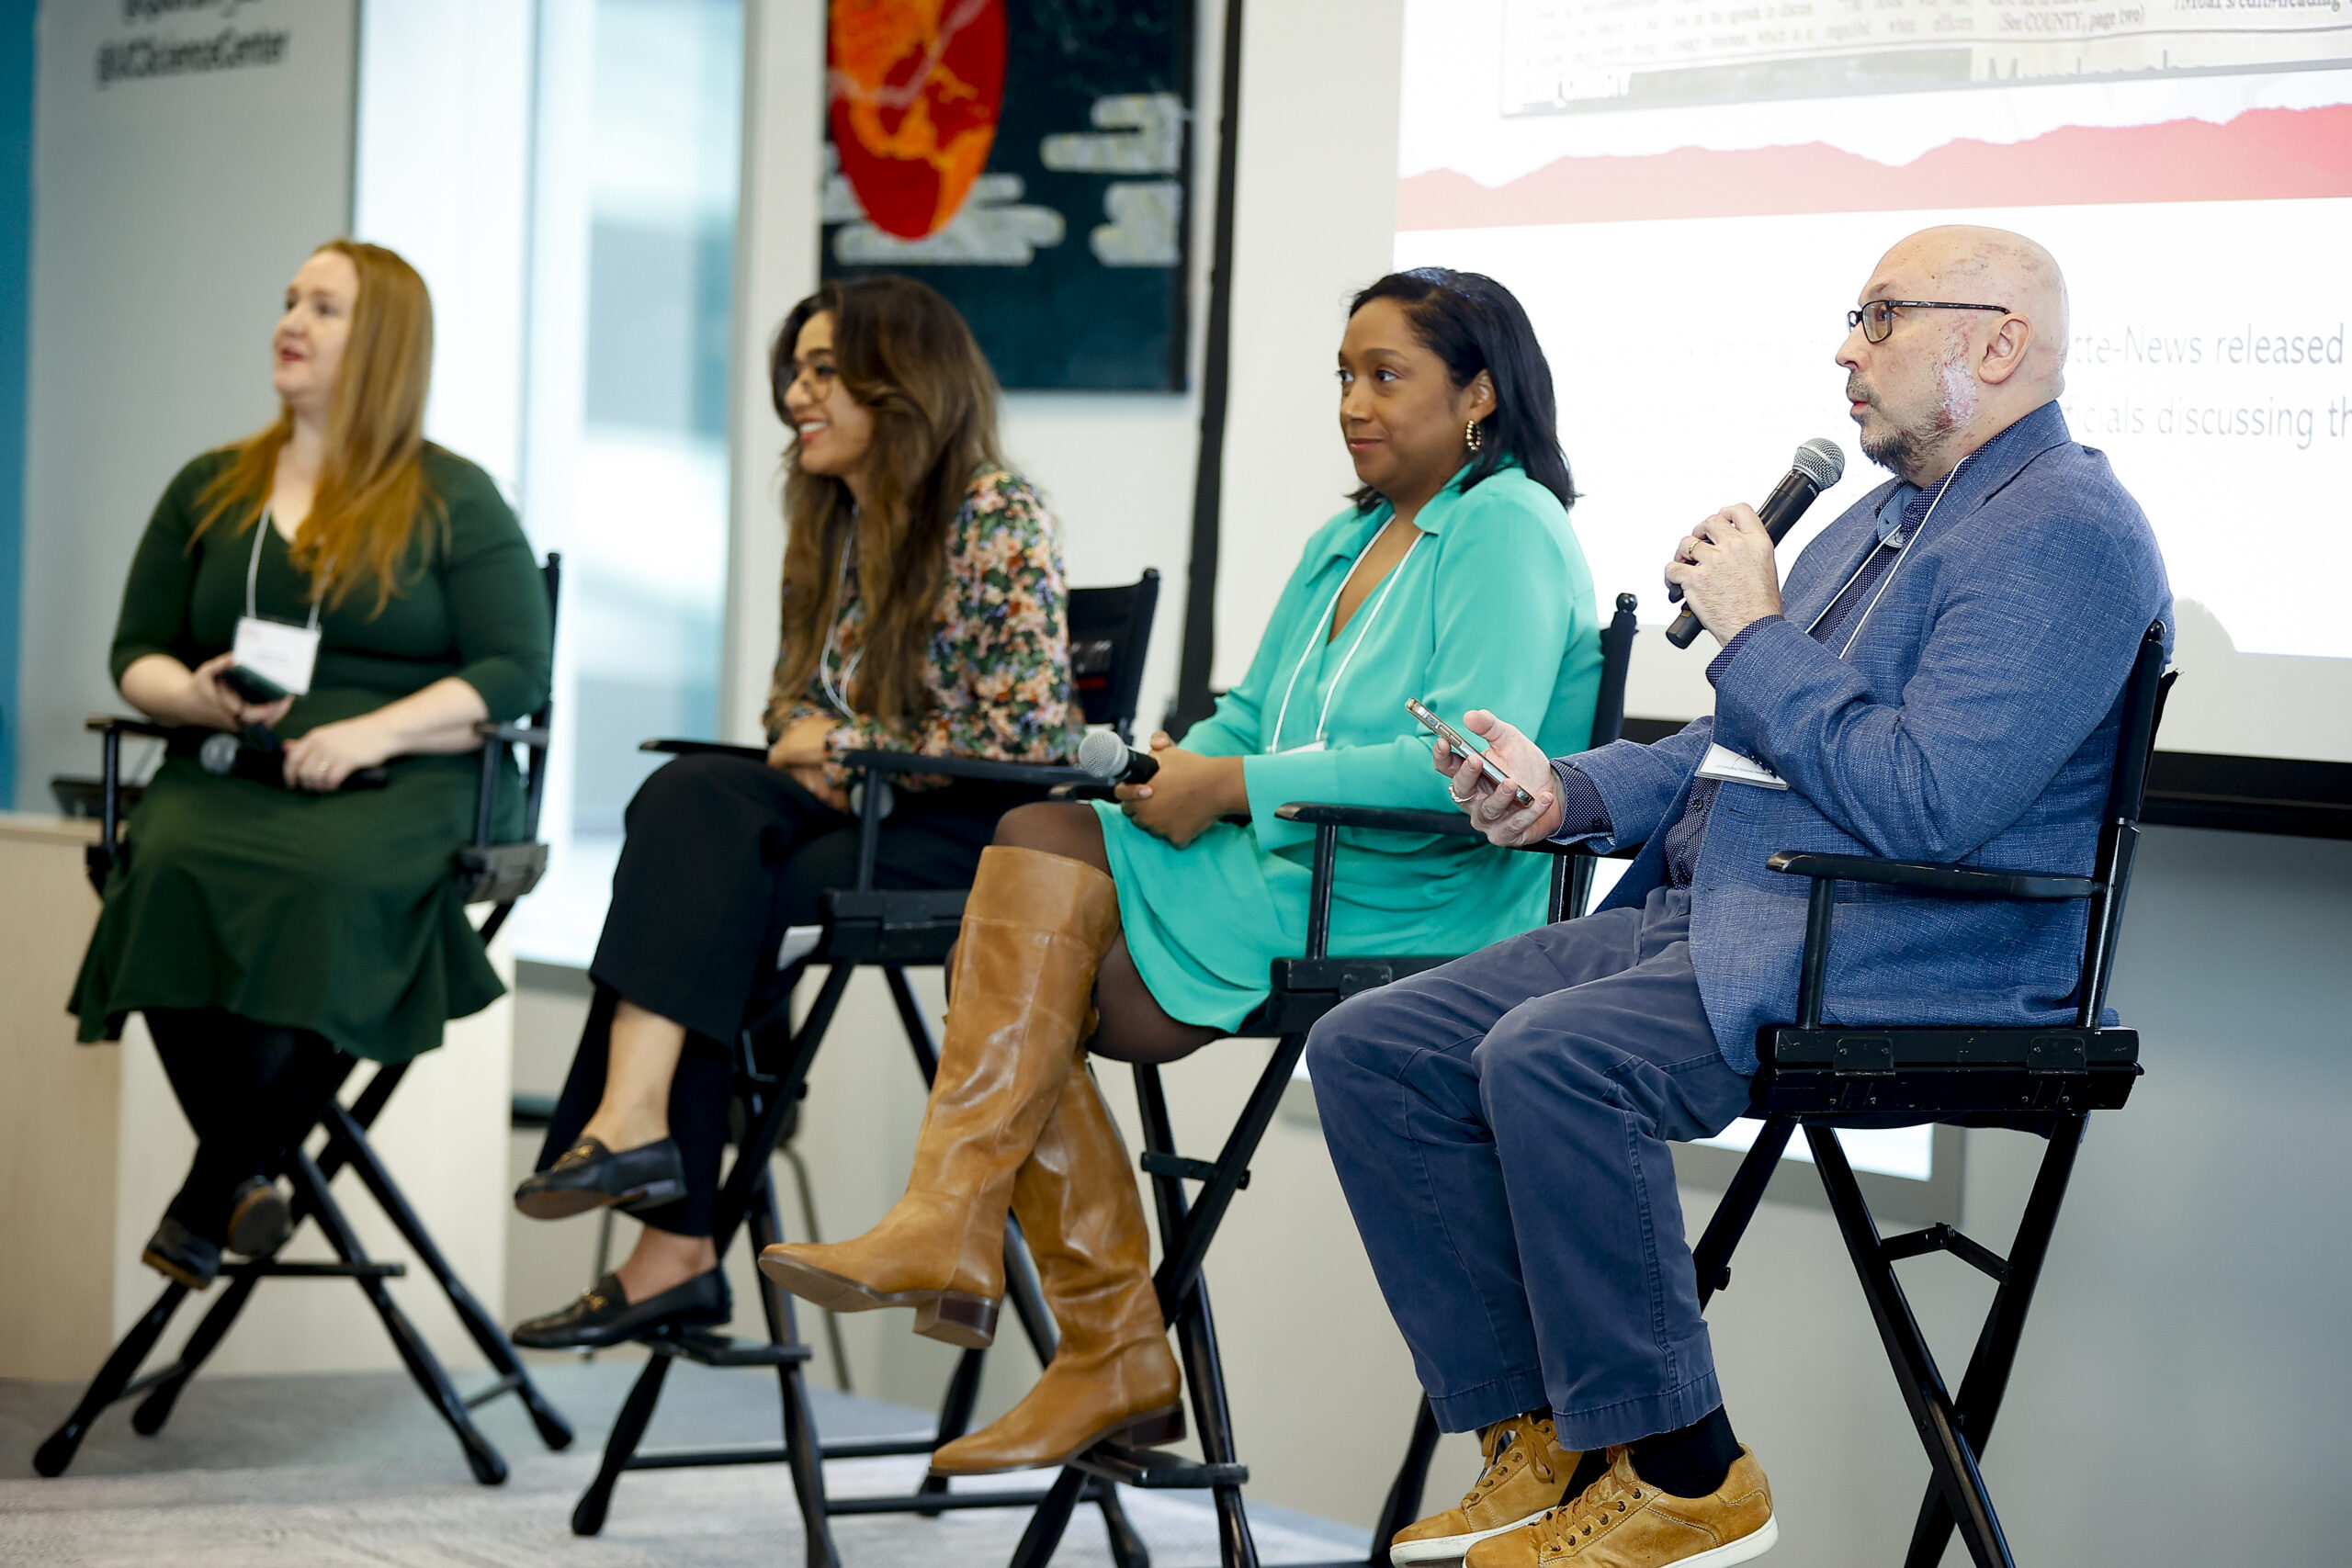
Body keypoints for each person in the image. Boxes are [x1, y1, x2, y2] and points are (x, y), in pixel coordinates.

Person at [1305, 226, 2174, 1568]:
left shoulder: (2069, 531)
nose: (1846, 347)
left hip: (1906, 946)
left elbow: (1930, 799)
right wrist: (1565, 792)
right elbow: (1730, 740)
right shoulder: (1880, 518)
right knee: (1372, 1047)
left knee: (1555, 1058)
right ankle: (1542, 1434)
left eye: (1880, 317)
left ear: (1996, 344)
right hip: (1725, 912)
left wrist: (1761, 629)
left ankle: (1687, 1468)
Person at [759, 267, 1605, 1478]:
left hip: (1409, 892)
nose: (1353, 405)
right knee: (1044, 851)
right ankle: (1025, 1277)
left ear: (1478, 393)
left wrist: (1231, 788)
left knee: (1029, 940)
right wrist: (1171, 769)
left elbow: (1467, 770)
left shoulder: (1512, 524)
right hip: (1287, 857)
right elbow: (1250, 712)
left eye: (1387, 376)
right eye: (1343, 377)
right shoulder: (1348, 535)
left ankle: (1061, 1300)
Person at [506, 276, 1083, 1348]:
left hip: (964, 836)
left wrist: (851, 750)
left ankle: (664, 1221)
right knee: (688, 800)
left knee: (715, 883)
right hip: (849, 811)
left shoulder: (996, 514)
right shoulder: (834, 515)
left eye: (823, 372)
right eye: (795, 371)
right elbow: (791, 699)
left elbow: (1026, 741)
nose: (795, 396)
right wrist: (813, 747)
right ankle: (644, 1161)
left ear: (900, 385)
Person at [72, 241, 554, 1292]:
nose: (290, 320)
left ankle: (215, 1188)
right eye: (291, 300)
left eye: (324, 308)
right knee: (160, 863)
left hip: (416, 777)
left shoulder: (455, 498)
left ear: (381, 341)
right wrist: (192, 697)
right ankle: (244, 1179)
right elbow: (134, 653)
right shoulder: (209, 486)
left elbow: (516, 667)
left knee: (331, 880)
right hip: (236, 763)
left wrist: (370, 733)